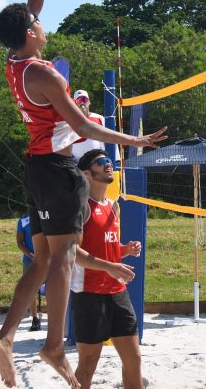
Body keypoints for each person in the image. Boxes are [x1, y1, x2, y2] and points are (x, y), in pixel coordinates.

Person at [0, 0, 167, 389]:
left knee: (43, 261)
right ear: (30, 34)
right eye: (36, 23)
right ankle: (52, 344)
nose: (41, 21)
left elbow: (30, 8)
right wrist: (133, 141)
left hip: (35, 168)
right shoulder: (45, 74)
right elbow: (85, 127)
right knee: (64, 258)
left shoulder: (15, 61)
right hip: (56, 170)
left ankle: (4, 337)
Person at [72, 149, 144, 389]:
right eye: (101, 162)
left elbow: (106, 249)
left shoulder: (114, 206)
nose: (109, 164)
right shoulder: (81, 207)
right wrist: (110, 266)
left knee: (134, 359)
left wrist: (125, 249)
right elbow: (73, 253)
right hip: (89, 292)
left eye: (110, 160)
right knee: (88, 364)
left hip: (117, 291)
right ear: (86, 173)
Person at [15, 214, 41, 331]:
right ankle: (35, 319)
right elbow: (20, 242)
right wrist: (31, 256)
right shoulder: (23, 220)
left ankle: (55, 320)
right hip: (29, 260)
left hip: (49, 259)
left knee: (52, 287)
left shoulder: (47, 215)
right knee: (30, 289)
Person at [71, 89, 106, 161]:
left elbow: (106, 138)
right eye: (79, 100)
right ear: (75, 103)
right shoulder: (70, 119)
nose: (82, 102)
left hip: (96, 160)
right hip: (76, 161)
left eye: (84, 99)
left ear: (89, 102)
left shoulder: (99, 118)